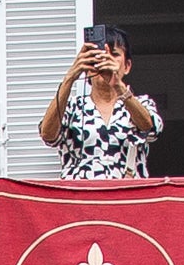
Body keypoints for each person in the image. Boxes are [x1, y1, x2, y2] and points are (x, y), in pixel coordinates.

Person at [37, 25, 161, 181]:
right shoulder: (72, 107)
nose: (106, 61)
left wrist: (118, 86)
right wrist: (70, 78)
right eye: (98, 56)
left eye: (114, 55)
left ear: (127, 66)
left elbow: (150, 128)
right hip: (80, 200)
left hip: (126, 200)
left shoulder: (141, 103)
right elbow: (48, 135)